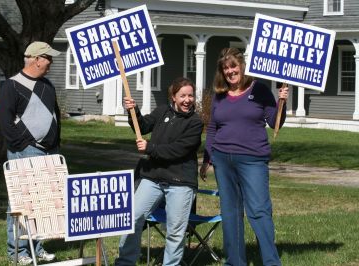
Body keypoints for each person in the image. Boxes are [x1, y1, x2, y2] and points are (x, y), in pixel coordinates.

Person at [200, 47, 289, 266]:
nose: (230, 71)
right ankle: (235, 262)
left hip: (252, 160)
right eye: (225, 68)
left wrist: (282, 102)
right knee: (230, 214)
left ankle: (270, 262)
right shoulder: (220, 96)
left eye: (233, 66)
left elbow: (274, 121)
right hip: (222, 160)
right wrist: (207, 159)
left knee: (259, 211)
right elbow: (212, 127)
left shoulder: (259, 89)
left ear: (241, 65)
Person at [114, 77, 204, 266]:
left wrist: (150, 148)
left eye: (190, 95)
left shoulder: (195, 122)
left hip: (180, 181)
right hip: (153, 177)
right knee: (133, 217)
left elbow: (178, 150)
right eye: (182, 96)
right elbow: (143, 125)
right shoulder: (163, 110)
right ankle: (124, 262)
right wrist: (133, 111)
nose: (187, 100)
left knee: (175, 231)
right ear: (173, 97)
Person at [0, 41, 61, 265]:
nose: (51, 62)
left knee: (43, 200)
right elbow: (6, 124)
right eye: (48, 58)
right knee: (21, 202)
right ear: (37, 59)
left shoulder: (48, 85)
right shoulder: (11, 86)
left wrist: (55, 144)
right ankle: (18, 252)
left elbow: (55, 116)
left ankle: (38, 248)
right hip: (26, 151)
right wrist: (23, 143)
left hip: (50, 152)